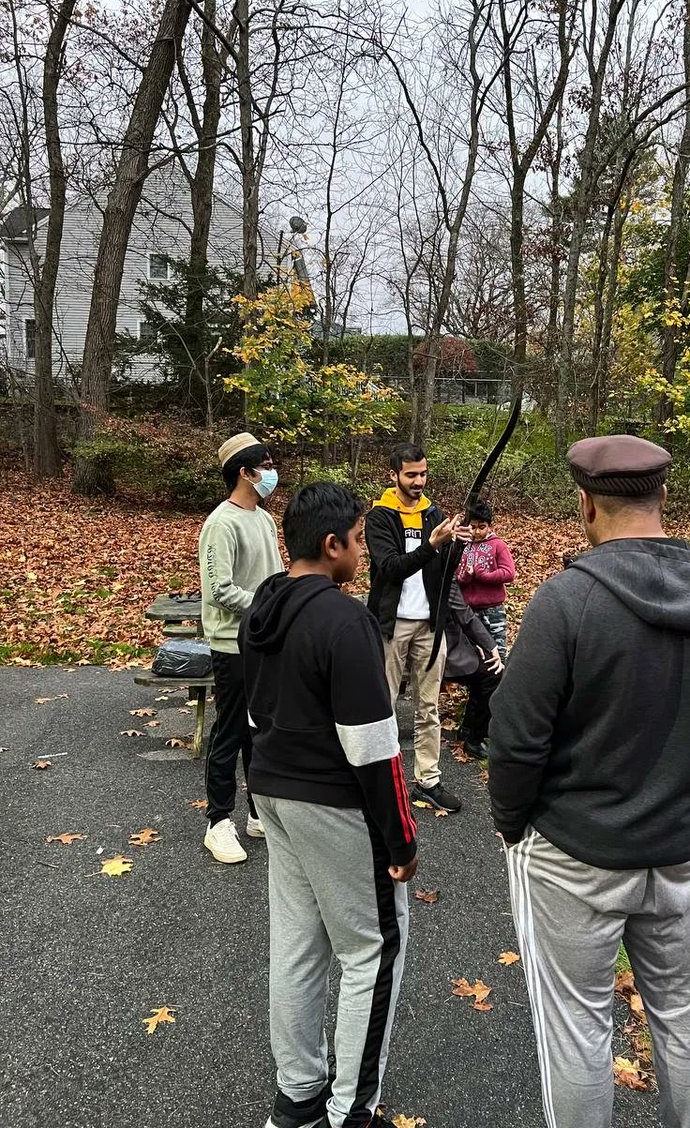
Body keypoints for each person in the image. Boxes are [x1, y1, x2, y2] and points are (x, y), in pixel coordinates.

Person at [489, 435, 690, 1128]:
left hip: (573, 855)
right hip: (676, 852)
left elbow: (517, 738)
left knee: (579, 1030)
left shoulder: (564, 604)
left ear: (584, 505)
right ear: (664, 498)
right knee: (684, 1014)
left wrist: (514, 823)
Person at [241, 482, 417, 1128]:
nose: (362, 554)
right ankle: (350, 1112)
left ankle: (298, 1098)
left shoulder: (262, 607)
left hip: (274, 791)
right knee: (369, 950)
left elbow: (249, 710)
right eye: (357, 541)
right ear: (330, 544)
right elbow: (374, 748)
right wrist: (399, 840)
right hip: (333, 801)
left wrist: (252, 790)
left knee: (297, 945)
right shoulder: (345, 621)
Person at [365, 443, 469, 813]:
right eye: (411, 475)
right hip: (392, 626)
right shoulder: (380, 517)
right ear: (393, 475)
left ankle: (428, 779)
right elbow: (391, 567)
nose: (418, 482)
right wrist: (432, 544)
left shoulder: (433, 514)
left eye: (423, 474)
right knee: (384, 704)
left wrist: (456, 546)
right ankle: (382, 778)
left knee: (429, 707)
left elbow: (441, 572)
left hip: (429, 625)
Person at [199, 431, 283, 864]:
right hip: (232, 644)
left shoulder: (265, 520)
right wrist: (267, 603)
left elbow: (275, 576)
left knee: (260, 731)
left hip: (264, 643)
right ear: (245, 473)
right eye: (265, 465)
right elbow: (219, 589)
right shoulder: (221, 523)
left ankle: (257, 812)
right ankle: (218, 822)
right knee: (230, 731)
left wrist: (284, 601)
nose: (271, 472)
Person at [443, 581, 504, 760]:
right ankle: (475, 739)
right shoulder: (440, 566)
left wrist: (479, 643)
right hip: (442, 648)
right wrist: (491, 646)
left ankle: (469, 729)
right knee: (493, 675)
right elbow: (464, 615)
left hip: (450, 643)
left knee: (488, 672)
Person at [455, 499, 516, 660]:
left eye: (481, 527)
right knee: (474, 652)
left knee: (498, 650)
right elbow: (455, 577)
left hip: (493, 609)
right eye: (473, 527)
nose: (476, 532)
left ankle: (500, 681)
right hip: (469, 611)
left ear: (489, 526)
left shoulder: (498, 545)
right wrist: (466, 577)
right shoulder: (462, 546)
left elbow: (509, 573)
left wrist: (485, 576)